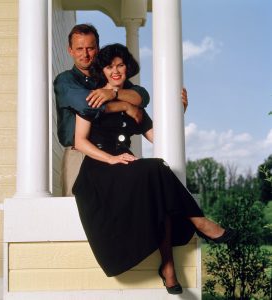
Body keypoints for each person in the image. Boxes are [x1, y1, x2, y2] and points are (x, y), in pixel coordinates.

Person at [72, 44, 235, 295]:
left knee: (158, 189)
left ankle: (168, 267)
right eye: (109, 66)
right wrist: (111, 159)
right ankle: (200, 222)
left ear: (128, 67)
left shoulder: (135, 103)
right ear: (101, 70)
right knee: (156, 169)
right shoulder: (91, 96)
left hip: (125, 168)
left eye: (120, 65)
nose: (115, 71)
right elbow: (80, 141)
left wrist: (179, 113)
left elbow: (159, 137)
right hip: (99, 172)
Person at [54, 24, 150, 196]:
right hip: (80, 153)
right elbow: (87, 106)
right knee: (75, 211)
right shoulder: (65, 80)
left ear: (97, 49)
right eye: (79, 49)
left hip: (114, 152)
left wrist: (114, 93)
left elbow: (141, 96)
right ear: (70, 51)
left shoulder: (108, 78)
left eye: (90, 48)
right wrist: (124, 105)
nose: (85, 54)